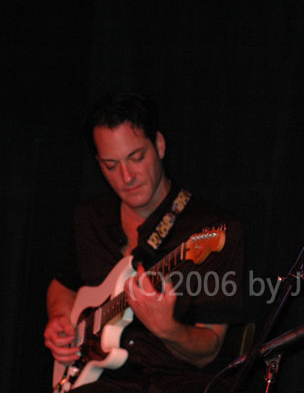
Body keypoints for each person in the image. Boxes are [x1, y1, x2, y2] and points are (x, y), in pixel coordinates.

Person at [44, 92, 245, 392]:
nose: (126, 177)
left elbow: (210, 349)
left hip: (178, 381)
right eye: (111, 165)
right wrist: (60, 320)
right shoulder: (90, 218)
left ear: (160, 146)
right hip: (101, 380)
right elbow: (62, 284)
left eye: (136, 158)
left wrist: (169, 331)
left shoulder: (209, 229)